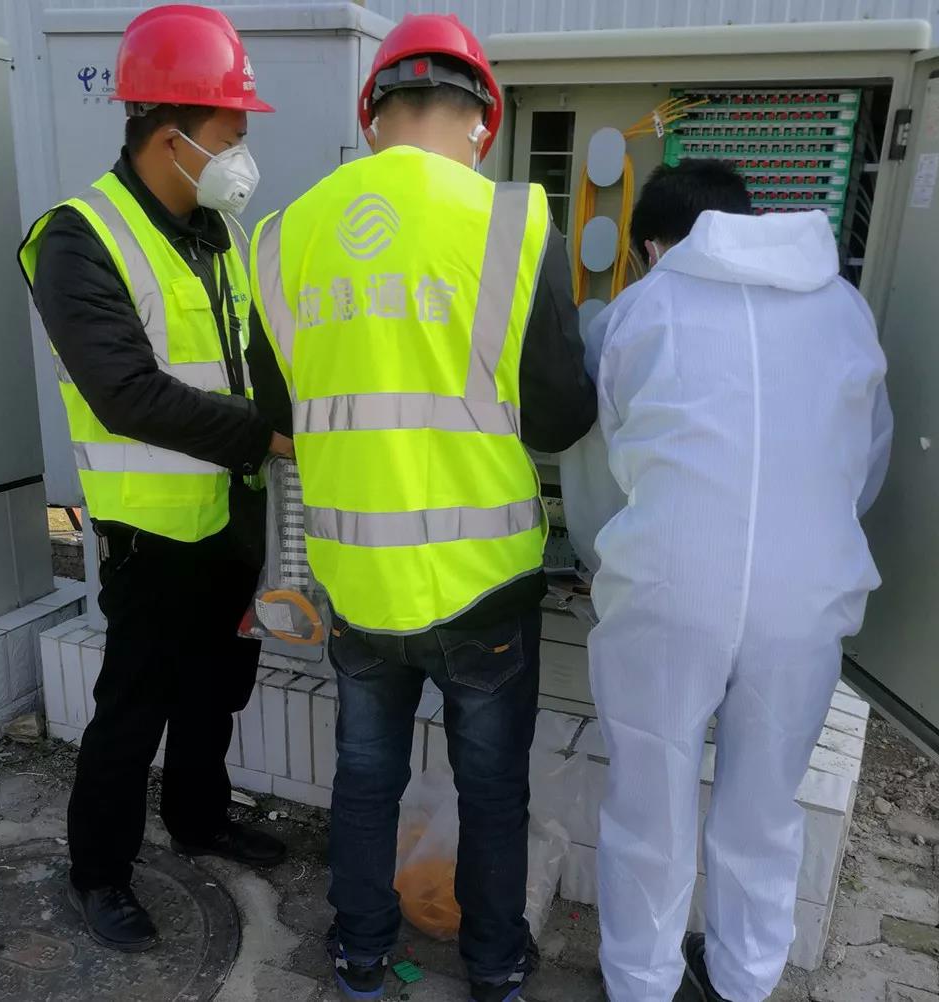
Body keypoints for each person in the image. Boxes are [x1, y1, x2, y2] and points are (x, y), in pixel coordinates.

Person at [246, 13, 596, 1000]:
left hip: (358, 582)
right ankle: (494, 968)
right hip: (483, 586)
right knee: (491, 791)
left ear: (373, 118)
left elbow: (278, 414)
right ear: (482, 121)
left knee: (365, 780)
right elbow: (560, 416)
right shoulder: (515, 221)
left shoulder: (281, 236)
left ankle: (359, 955)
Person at [563, 159, 892, 1002]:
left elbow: (600, 468)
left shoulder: (639, 311)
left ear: (651, 247)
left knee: (650, 802)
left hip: (667, 588)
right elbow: (867, 455)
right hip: (807, 594)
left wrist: (607, 562)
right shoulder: (842, 308)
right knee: (766, 803)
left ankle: (642, 983)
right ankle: (743, 978)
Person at [18, 5, 291, 953]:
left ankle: (200, 818)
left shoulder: (220, 232)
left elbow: (256, 356)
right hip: (150, 533)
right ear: (169, 134)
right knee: (132, 709)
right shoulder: (79, 237)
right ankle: (99, 872)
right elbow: (126, 392)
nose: (240, 153)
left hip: (231, 518)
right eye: (231, 132)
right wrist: (267, 438)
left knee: (216, 688)